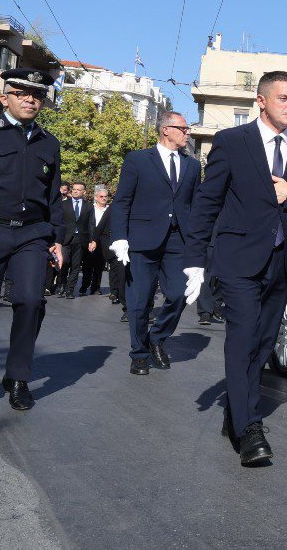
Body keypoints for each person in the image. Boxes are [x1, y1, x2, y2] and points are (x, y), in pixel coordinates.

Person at [184, 70, 287, 466]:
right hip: (239, 260)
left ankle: (236, 410)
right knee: (243, 338)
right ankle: (250, 429)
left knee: (264, 343)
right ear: (262, 100)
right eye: (285, 98)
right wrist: (196, 260)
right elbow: (207, 202)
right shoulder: (232, 142)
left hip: (283, 263)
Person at [0, 69, 65, 410]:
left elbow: (53, 198)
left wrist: (57, 239)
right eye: (22, 92)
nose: (31, 99)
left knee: (32, 301)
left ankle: (18, 377)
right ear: (4, 97)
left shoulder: (49, 143)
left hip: (32, 233)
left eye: (37, 94)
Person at [109, 111, 200, 375]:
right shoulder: (138, 160)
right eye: (184, 128)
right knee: (139, 300)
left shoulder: (193, 166)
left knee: (179, 294)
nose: (188, 133)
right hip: (142, 240)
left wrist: (198, 244)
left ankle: (156, 338)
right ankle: (138, 354)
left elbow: (195, 205)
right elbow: (123, 200)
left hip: (178, 240)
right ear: (166, 130)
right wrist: (120, 237)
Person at [58, 182, 90, 298]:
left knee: (76, 266)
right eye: (74, 189)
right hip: (66, 238)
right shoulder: (63, 204)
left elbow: (90, 224)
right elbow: (59, 221)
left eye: (78, 190)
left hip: (80, 239)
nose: (75, 191)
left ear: (84, 192)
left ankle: (70, 290)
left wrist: (92, 240)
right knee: (64, 261)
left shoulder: (88, 206)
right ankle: (62, 283)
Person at [79, 186, 111, 295]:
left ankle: (95, 288)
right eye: (101, 196)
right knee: (88, 265)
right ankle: (84, 286)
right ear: (96, 198)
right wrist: (89, 240)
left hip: (104, 240)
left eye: (105, 196)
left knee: (100, 265)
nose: (103, 198)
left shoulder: (109, 209)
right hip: (90, 239)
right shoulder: (90, 208)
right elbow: (86, 225)